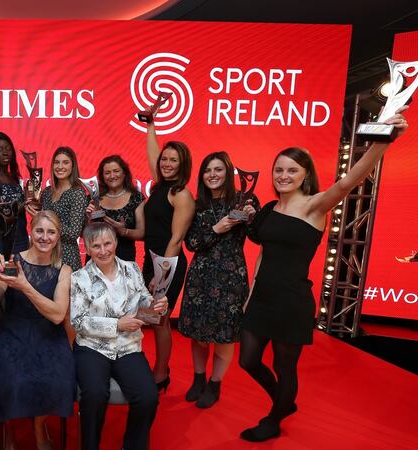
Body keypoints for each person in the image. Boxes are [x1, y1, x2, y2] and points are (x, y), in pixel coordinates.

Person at [238, 108, 408, 442]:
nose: (283, 175)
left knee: (286, 367)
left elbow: (350, 180)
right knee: (248, 360)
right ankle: (284, 402)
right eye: (279, 169)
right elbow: (262, 254)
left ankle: (274, 418)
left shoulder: (316, 204)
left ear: (304, 175)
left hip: (292, 301)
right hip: (262, 298)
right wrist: (249, 296)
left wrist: (384, 141)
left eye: (292, 170)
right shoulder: (271, 209)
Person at [0, 210, 75, 450]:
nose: (45, 237)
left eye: (51, 232)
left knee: (56, 380)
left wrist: (25, 286)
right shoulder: (13, 263)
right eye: (39, 231)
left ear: (58, 236)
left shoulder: (64, 270)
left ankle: (38, 425)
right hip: (13, 333)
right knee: (13, 381)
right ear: (30, 233)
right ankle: (9, 429)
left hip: (48, 335)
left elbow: (56, 315)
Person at [70, 222, 167, 450]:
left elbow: (143, 297)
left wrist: (155, 304)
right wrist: (117, 324)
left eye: (107, 243)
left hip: (128, 347)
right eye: (96, 246)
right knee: (94, 395)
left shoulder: (132, 269)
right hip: (92, 348)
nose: (103, 250)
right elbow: (78, 321)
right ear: (86, 248)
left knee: (148, 396)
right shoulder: (79, 277)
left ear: (115, 243)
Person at [114, 120, 195, 392]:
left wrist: (161, 277)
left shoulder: (181, 195)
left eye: (174, 160)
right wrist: (150, 126)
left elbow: (176, 240)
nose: (167, 163)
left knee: (159, 320)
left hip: (168, 265)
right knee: (152, 318)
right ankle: (159, 369)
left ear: (183, 164)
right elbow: (152, 154)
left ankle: (160, 374)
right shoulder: (160, 187)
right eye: (165, 159)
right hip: (152, 261)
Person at [178, 152, 259, 409]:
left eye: (218, 169)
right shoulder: (196, 204)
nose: (212, 174)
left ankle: (215, 383)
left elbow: (256, 237)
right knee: (198, 334)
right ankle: (199, 378)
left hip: (231, 277)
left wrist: (252, 217)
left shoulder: (244, 199)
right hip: (200, 277)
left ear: (228, 172)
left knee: (224, 337)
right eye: (207, 170)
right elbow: (191, 243)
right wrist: (216, 229)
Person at [28, 146, 88, 271]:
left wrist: (45, 220)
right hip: (44, 254)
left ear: (73, 167)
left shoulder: (77, 193)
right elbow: (39, 226)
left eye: (65, 162)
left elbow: (73, 233)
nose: (60, 166)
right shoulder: (47, 192)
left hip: (66, 256)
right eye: (57, 162)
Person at [0, 132, 28, 256]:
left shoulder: (11, 177)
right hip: (3, 243)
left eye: (8, 149)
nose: (5, 152)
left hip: (21, 238)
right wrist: (24, 202)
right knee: (4, 275)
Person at [95, 155, 145, 262]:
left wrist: (124, 231)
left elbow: (142, 232)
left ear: (124, 173)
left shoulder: (136, 198)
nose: (112, 176)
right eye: (107, 173)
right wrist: (88, 219)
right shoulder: (94, 198)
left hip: (124, 258)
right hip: (97, 258)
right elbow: (83, 232)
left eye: (116, 171)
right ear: (102, 176)